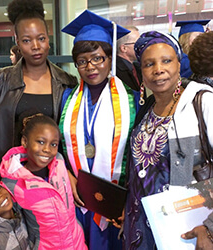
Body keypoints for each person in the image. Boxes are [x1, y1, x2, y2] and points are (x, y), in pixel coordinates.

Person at [0, 0, 78, 187]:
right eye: (27, 40)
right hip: (8, 178)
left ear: (48, 39)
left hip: (51, 180)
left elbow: (69, 141)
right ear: (17, 42)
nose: (35, 46)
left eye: (41, 38)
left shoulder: (67, 82)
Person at [123, 30, 213, 250]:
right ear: (141, 72)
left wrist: (209, 227)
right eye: (149, 64)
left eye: (166, 61)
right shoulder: (146, 109)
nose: (158, 70)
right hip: (142, 230)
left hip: (190, 229)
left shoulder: (202, 102)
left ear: (179, 64)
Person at [61, 10, 137, 250]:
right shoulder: (66, 99)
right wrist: (68, 176)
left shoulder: (132, 101)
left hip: (114, 201)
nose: (90, 66)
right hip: (78, 198)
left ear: (110, 58)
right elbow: (58, 147)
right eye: (82, 61)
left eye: (97, 58)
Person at [0, 114, 87, 249]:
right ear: (25, 142)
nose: (47, 149)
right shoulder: (13, 183)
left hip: (77, 242)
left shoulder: (59, 162)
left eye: (53, 144)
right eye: (41, 142)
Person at [116, 26, 142, 91]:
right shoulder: (114, 72)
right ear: (124, 48)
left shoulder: (137, 67)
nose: (141, 47)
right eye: (137, 43)